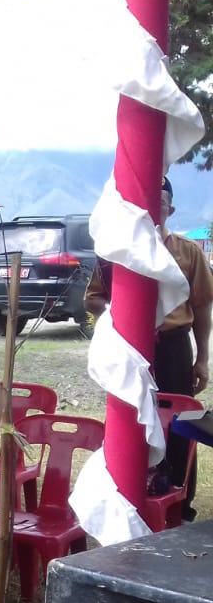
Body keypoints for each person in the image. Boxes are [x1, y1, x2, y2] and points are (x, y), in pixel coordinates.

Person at [85, 175, 213, 521]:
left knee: (181, 420)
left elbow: (202, 307)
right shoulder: (118, 252)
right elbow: (94, 299)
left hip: (173, 346)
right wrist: (125, 315)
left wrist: (202, 358)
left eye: (159, 203)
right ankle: (132, 495)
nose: (152, 210)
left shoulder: (188, 252)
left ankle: (181, 503)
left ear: (171, 209)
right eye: (145, 204)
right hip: (131, 348)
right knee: (133, 415)